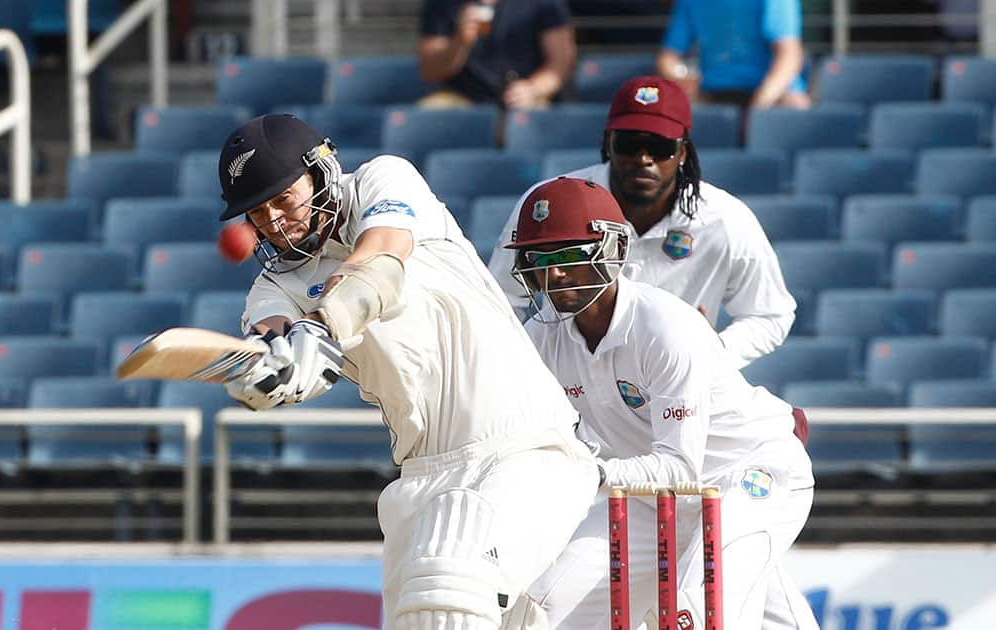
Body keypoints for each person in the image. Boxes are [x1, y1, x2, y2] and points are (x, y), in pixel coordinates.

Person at [215, 113, 600, 629]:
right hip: (421, 475)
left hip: (526, 448)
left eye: (283, 200)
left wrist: (324, 325)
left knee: (448, 593)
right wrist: (269, 373)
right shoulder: (272, 287)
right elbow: (272, 336)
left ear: (322, 167)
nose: (274, 222)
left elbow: (382, 258)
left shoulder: (383, 180)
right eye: (258, 214)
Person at [505, 176, 816, 628]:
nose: (554, 274)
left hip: (747, 476)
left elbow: (680, 467)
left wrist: (590, 473)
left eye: (569, 256)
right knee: (539, 609)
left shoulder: (665, 327)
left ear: (610, 251)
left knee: (700, 609)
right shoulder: (540, 338)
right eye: (540, 259)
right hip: (648, 498)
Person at [488, 76, 796, 370]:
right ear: (608, 143)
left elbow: (770, 314)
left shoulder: (724, 219)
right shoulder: (551, 202)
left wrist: (713, 356)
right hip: (572, 392)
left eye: (660, 146)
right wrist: (528, 369)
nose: (643, 158)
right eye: (629, 144)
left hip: (679, 392)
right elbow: (499, 299)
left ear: (683, 152)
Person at [418, 0, 576, 109]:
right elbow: (430, 71)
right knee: (428, 113)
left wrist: (533, 89)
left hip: (526, 96)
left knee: (532, 122)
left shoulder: (543, 3)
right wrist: (459, 42)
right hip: (462, 98)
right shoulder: (442, 4)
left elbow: (561, 63)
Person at [656, 0, 812, 110]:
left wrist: (759, 108)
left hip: (772, 96)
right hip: (712, 94)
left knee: (794, 107)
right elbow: (668, 58)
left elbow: (789, 56)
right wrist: (682, 76)